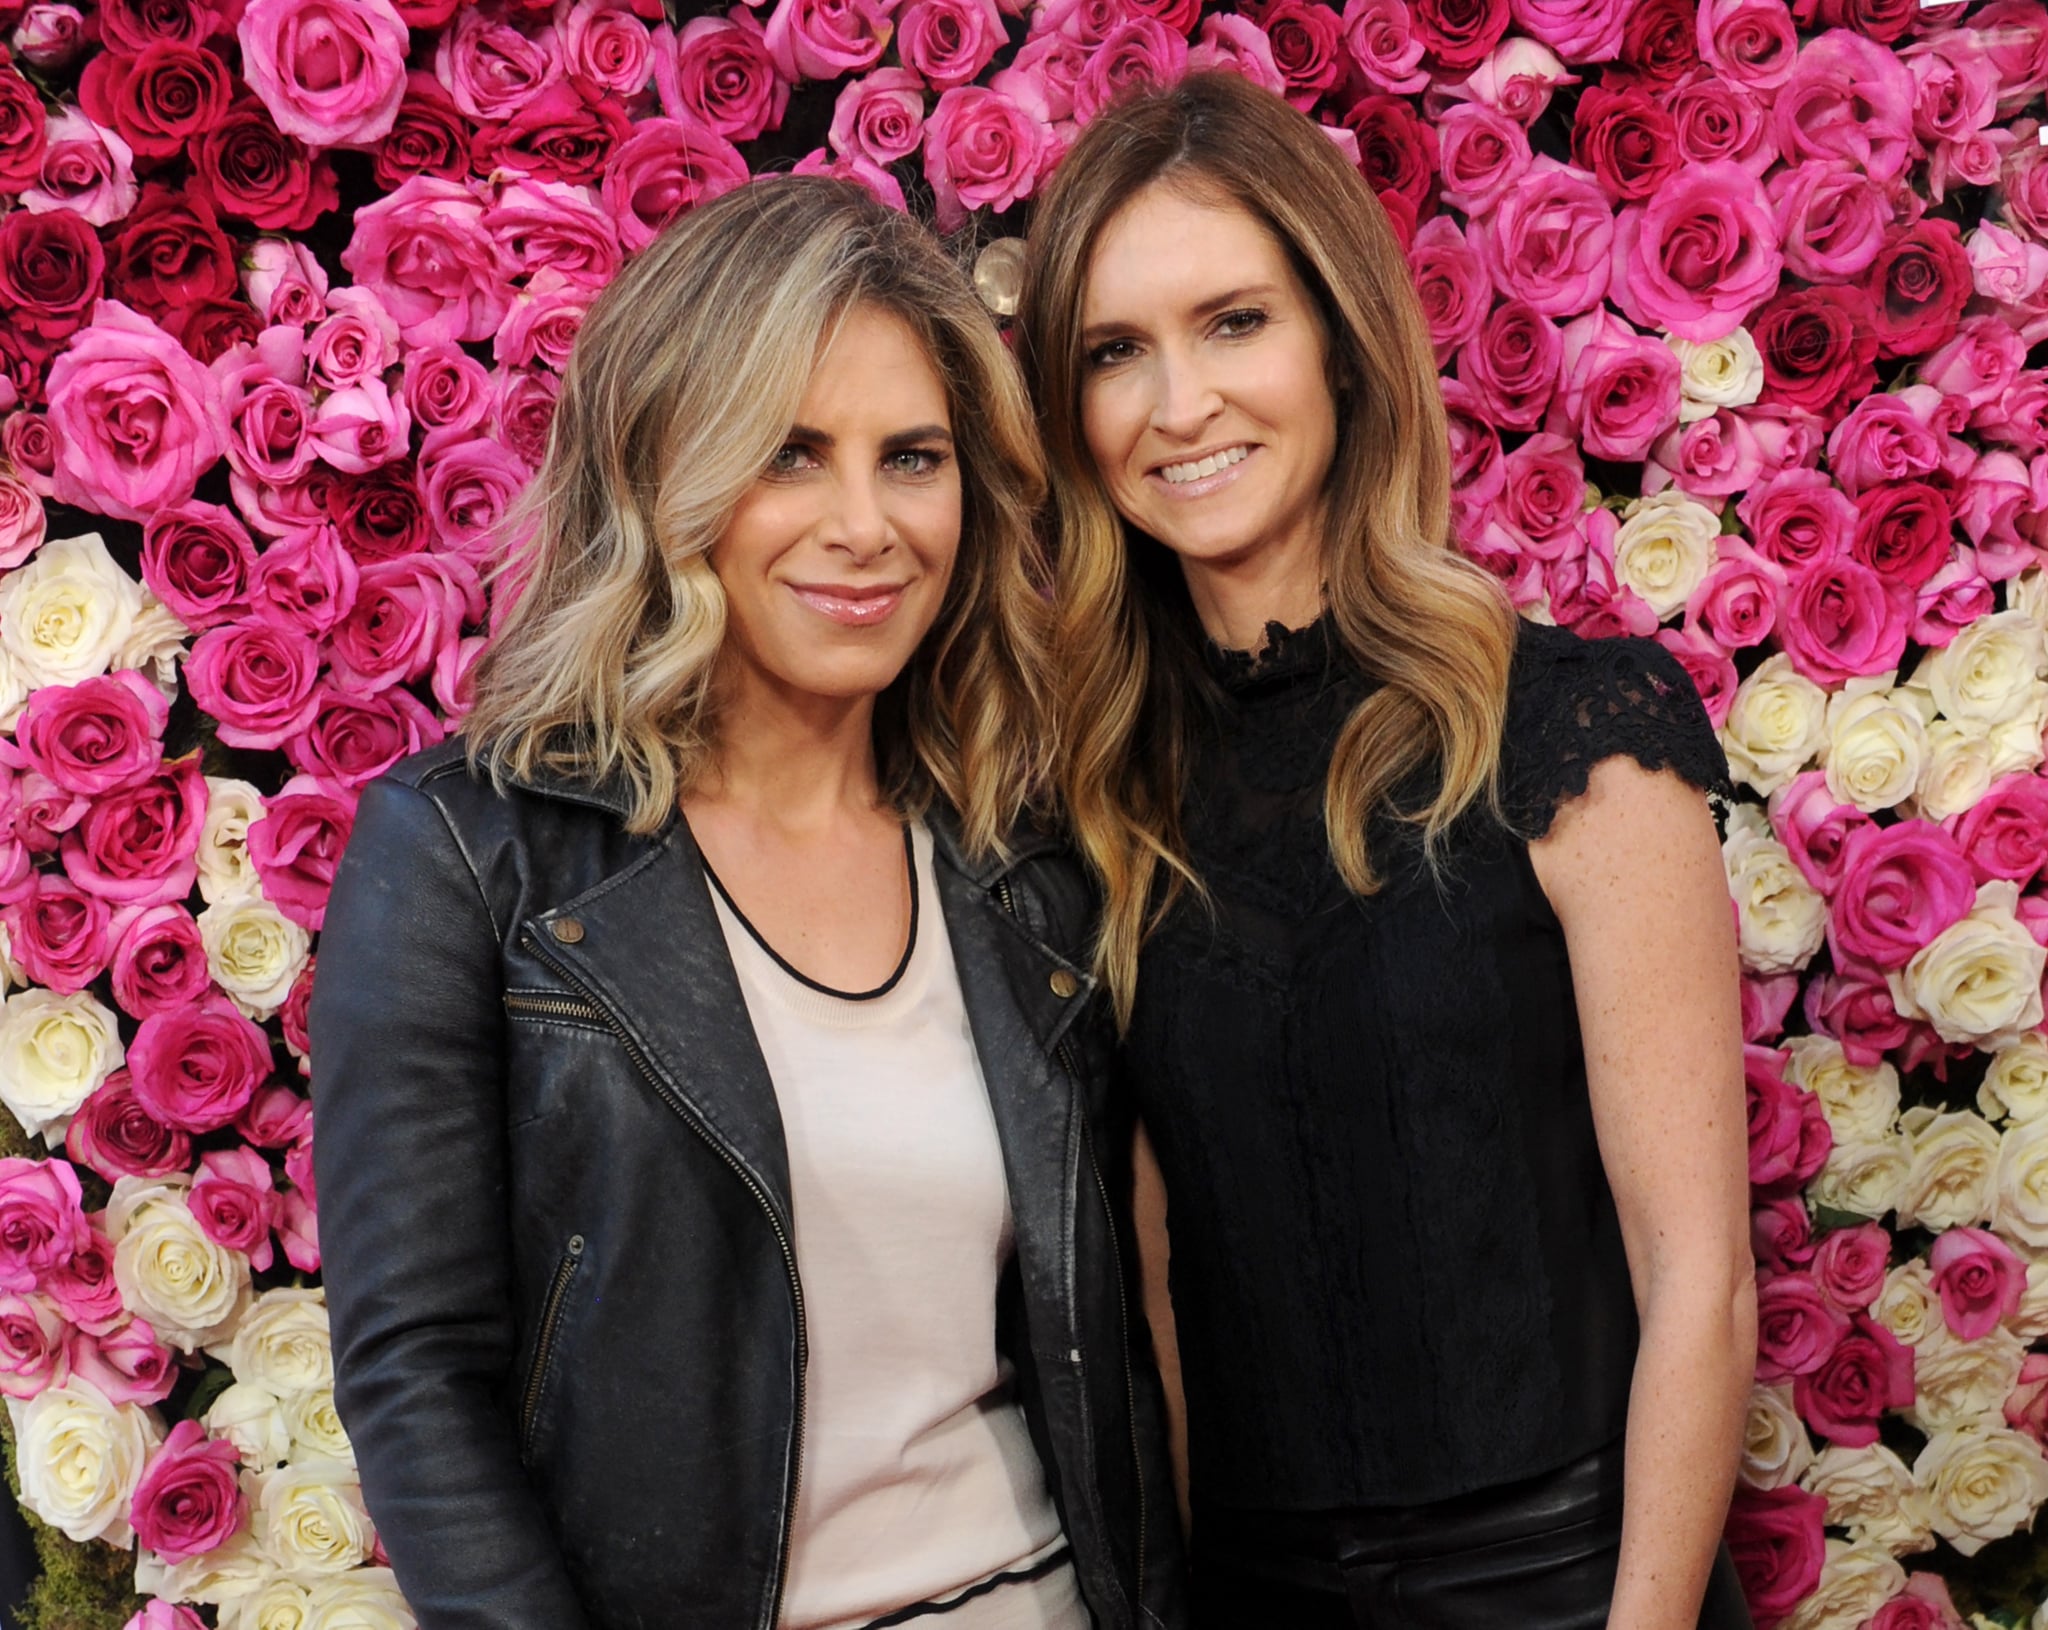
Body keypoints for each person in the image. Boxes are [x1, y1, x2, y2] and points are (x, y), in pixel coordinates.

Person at [309, 176, 1184, 1630]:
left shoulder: (1014, 855)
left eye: (912, 457)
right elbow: (417, 1376)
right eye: (791, 453)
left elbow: (1112, 1343)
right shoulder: (468, 855)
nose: (868, 525)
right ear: (671, 475)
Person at [1018, 73, 1756, 1630]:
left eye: (1234, 322)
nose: (1179, 405)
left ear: (1344, 343)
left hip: (1568, 1583)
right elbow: (1152, 1286)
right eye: (1114, 353)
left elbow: (1700, 1270)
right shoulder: (1095, 793)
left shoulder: (1568, 727)